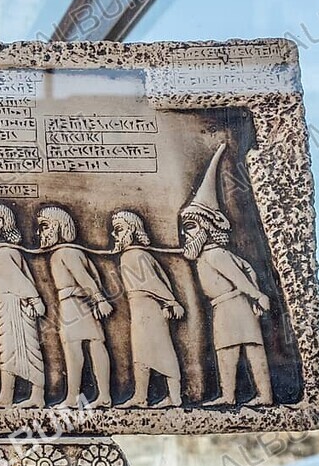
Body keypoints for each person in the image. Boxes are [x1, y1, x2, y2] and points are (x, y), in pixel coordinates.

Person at [180, 144, 272, 405]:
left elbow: (239, 278)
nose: (187, 234)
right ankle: (229, 395)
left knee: (251, 346)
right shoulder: (206, 254)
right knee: (226, 350)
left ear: (207, 227)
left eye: (191, 227)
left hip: (234, 303)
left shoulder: (215, 254)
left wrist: (257, 295)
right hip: (223, 306)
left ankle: (264, 396)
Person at [37, 206, 113, 407]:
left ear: (59, 227)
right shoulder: (66, 251)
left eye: (44, 227)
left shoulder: (66, 251)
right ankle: (91, 395)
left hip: (76, 304)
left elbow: (84, 276)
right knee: (88, 345)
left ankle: (89, 396)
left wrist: (99, 298)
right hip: (74, 303)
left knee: (85, 346)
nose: (40, 233)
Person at [112, 210, 184, 407]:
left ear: (132, 230)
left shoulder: (133, 255)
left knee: (160, 350)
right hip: (141, 308)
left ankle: (174, 397)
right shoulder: (135, 254)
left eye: (118, 230)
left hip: (147, 308)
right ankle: (142, 396)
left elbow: (154, 282)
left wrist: (171, 301)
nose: (114, 235)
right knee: (142, 352)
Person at [0, 203, 46, 407]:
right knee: (7, 349)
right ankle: (7, 395)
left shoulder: (2, 253)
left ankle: (37, 395)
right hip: (7, 306)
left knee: (28, 349)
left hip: (18, 305)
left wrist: (34, 299)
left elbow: (21, 281)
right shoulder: (3, 251)